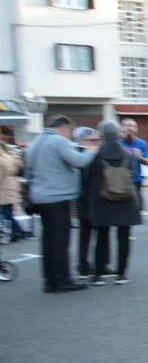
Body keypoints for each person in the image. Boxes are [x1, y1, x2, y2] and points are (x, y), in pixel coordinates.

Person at [23, 115, 98, 292]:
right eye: (70, 131)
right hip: (56, 197)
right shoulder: (58, 141)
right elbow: (78, 161)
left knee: (49, 242)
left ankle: (50, 280)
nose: (70, 134)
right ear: (64, 127)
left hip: (39, 196)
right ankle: (62, 280)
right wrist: (91, 151)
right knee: (60, 242)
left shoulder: (36, 142)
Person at [86, 121, 141, 285]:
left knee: (101, 236)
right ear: (118, 135)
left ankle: (99, 274)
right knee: (124, 236)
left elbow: (87, 177)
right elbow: (133, 173)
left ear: (101, 135)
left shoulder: (95, 155)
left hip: (102, 198)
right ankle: (122, 273)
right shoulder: (127, 154)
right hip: (125, 198)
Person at [72, 127, 103, 278]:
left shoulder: (91, 154)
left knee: (92, 234)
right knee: (86, 234)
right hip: (85, 199)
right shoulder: (81, 155)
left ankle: (90, 265)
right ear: (82, 141)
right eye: (92, 140)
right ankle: (84, 266)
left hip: (91, 199)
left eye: (98, 140)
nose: (96, 143)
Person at [119, 119, 148, 216]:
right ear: (122, 128)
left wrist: (140, 157)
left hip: (135, 178)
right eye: (127, 125)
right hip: (119, 178)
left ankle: (137, 213)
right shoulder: (117, 142)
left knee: (135, 201)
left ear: (136, 129)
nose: (130, 128)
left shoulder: (141, 143)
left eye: (132, 126)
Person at [0, 140, 29, 242]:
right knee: (8, 210)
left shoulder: (1, 159)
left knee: (5, 211)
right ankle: (15, 231)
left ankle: (17, 229)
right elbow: (19, 169)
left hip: (4, 187)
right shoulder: (12, 157)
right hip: (12, 184)